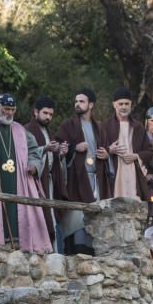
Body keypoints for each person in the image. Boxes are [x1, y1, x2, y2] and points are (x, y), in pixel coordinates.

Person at [0, 94, 53, 253]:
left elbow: (34, 151)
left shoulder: (21, 130)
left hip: (20, 181)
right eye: (6, 109)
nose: (9, 113)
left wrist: (34, 165)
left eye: (12, 110)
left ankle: (22, 245)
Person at [56, 89, 106, 255]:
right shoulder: (68, 125)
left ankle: (93, 255)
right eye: (76, 101)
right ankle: (74, 254)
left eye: (82, 101)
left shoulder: (99, 127)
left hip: (95, 181)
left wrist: (106, 154)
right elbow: (58, 147)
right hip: (76, 181)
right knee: (76, 220)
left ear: (91, 105)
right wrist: (73, 148)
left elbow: (105, 150)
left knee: (94, 220)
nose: (77, 104)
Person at [24, 96, 69, 248]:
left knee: (52, 218)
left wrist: (60, 153)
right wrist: (45, 148)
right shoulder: (26, 130)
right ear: (35, 112)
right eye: (45, 113)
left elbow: (52, 159)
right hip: (35, 184)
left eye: (50, 114)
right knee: (40, 216)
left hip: (49, 182)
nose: (48, 117)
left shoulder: (49, 132)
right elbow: (25, 154)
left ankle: (54, 250)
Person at [98, 88, 153, 200]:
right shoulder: (104, 126)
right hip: (114, 174)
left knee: (134, 204)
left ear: (131, 105)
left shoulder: (138, 127)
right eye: (120, 104)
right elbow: (97, 150)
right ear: (114, 105)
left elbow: (150, 151)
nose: (123, 107)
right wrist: (110, 150)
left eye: (126, 104)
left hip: (133, 174)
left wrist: (136, 156)